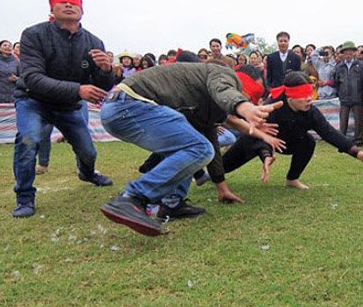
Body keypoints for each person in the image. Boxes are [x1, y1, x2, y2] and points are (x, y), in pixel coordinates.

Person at [99, 62, 282, 235]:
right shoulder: (223, 74)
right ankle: (132, 197)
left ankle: (172, 203)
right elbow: (224, 90)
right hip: (129, 104)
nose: (252, 98)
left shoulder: (207, 107)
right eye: (251, 94)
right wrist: (244, 106)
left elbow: (211, 141)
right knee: (198, 148)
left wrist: (222, 187)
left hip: (119, 110)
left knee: (193, 146)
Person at [11, 0, 115, 218]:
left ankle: (87, 174)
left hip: (68, 105)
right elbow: (33, 77)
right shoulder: (33, 34)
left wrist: (107, 70)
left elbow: (101, 87)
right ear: (52, 8)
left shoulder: (94, 41)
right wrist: (78, 89)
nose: (69, 5)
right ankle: (25, 197)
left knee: (88, 152)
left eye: (74, 2)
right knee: (28, 140)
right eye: (62, 1)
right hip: (33, 100)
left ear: (82, 10)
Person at [221, 71, 363, 190]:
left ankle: (292, 179)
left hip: (289, 143)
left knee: (308, 141)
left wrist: (358, 153)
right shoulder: (272, 108)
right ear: (291, 97)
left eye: (311, 94)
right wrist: (266, 156)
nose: (310, 98)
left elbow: (330, 133)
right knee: (220, 169)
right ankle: (207, 174)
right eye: (304, 95)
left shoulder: (311, 112)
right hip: (257, 141)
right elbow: (257, 137)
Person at [333, 41, 363, 143]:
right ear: (343, 53)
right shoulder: (339, 67)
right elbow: (336, 82)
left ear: (354, 52)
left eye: (350, 51)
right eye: (346, 52)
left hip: (357, 95)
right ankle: (341, 138)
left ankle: (358, 138)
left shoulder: (360, 65)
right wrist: (339, 94)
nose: (348, 54)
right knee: (343, 120)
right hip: (344, 96)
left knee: (358, 119)